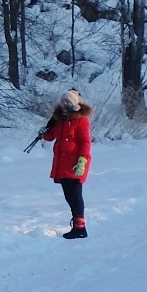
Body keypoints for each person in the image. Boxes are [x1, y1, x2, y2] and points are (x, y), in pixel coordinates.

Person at [37, 90, 93, 240]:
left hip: (75, 164)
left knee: (75, 195)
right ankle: (77, 225)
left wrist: (83, 160)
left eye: (67, 102)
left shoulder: (81, 121)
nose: (64, 105)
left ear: (74, 104)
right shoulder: (60, 120)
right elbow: (50, 136)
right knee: (69, 195)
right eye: (62, 102)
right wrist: (44, 132)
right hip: (62, 164)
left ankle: (80, 227)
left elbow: (85, 142)